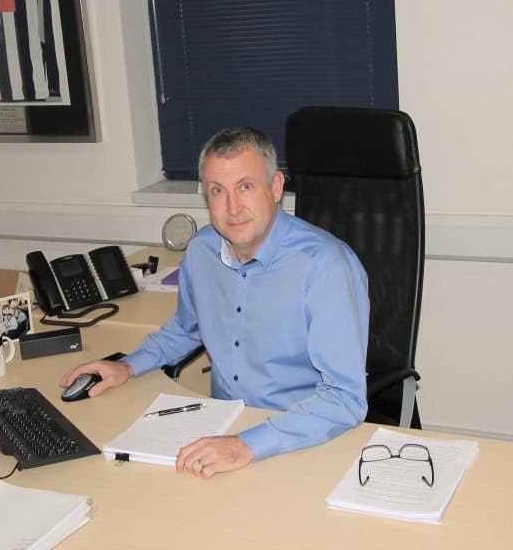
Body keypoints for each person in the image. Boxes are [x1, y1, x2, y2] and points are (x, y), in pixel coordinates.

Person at [60, 126, 369, 479]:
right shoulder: (203, 250)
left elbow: (345, 399)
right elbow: (185, 329)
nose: (233, 207)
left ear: (276, 187)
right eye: (218, 191)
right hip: (224, 430)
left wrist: (248, 444)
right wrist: (127, 366)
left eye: (246, 187)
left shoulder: (326, 267)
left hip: (298, 438)